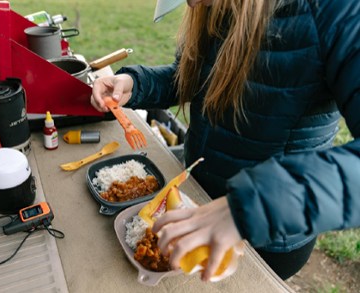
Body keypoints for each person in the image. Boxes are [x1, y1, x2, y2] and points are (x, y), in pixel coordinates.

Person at [91, 0, 360, 281]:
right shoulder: (216, 6)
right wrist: (136, 84)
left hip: (266, 235)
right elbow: (195, 79)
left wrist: (249, 208)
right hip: (196, 202)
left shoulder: (336, 11)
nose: (191, 4)